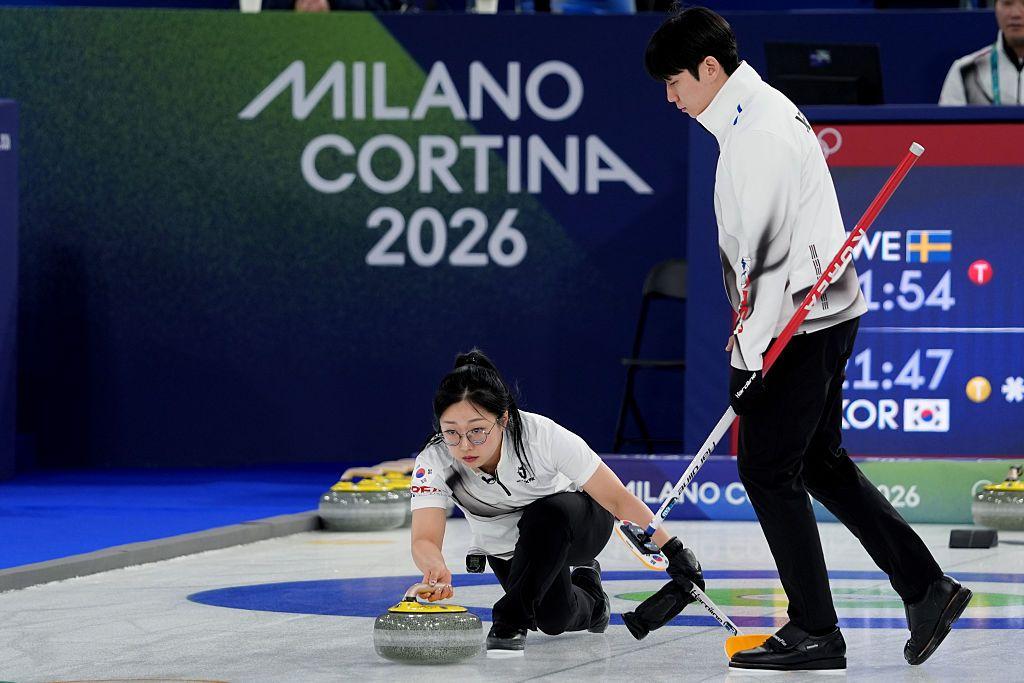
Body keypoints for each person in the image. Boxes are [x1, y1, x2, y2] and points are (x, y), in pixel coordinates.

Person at [644, 6, 973, 672]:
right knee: (818, 462)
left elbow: (766, 258)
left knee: (769, 470)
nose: (671, 96)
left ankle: (816, 627)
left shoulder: (758, 130)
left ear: (709, 69)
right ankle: (926, 587)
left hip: (801, 319)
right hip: (821, 311)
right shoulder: (749, 114)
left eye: (675, 80)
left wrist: (748, 355)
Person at [409, 349, 704, 657]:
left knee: (545, 516)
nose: (465, 445)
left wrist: (674, 550)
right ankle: (592, 593)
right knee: (552, 619)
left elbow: (617, 498)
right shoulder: (435, 461)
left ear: (504, 418)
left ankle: (509, 621)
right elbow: (425, 538)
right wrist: (434, 566)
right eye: (452, 433)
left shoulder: (539, 436)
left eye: (477, 431)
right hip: (510, 544)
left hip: (579, 521)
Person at [939, 0, 1024, 105]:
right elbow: (950, 120)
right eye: (1007, 3)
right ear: (996, 8)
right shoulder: (965, 70)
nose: (1016, 14)